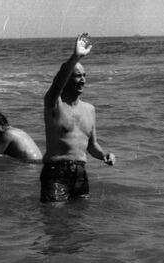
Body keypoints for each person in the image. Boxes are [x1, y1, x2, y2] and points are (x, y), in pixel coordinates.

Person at [41, 33, 115, 203]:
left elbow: (92, 145)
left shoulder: (90, 109)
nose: (82, 80)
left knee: (80, 222)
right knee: (56, 222)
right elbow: (57, 84)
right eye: (77, 75)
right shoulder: (54, 103)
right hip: (55, 172)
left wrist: (105, 155)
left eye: (84, 76)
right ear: (67, 78)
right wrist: (75, 57)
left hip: (80, 173)